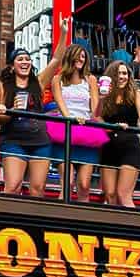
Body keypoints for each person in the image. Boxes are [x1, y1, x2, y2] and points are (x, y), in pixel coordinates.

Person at [0, 30, 65, 196]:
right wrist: (12, 111)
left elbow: (56, 60)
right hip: (14, 140)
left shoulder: (38, 83)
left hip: (40, 141)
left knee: (38, 189)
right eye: (20, 59)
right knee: (12, 186)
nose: (25, 62)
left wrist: (62, 33)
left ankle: (32, 221)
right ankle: (7, 221)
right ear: (12, 66)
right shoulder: (3, 85)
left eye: (27, 59)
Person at [50, 43, 100, 202]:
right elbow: (61, 105)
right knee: (67, 182)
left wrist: (102, 99)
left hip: (86, 132)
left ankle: (82, 222)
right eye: (78, 55)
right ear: (70, 56)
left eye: (83, 56)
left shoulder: (90, 79)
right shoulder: (57, 79)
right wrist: (72, 120)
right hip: (66, 130)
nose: (80, 59)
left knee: (85, 185)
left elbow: (95, 110)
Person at [97, 60, 140, 208]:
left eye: (125, 73)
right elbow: (96, 116)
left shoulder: (134, 94)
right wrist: (100, 99)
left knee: (123, 194)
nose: (122, 76)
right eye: (118, 73)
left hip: (129, 145)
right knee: (110, 194)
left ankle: (133, 228)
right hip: (108, 144)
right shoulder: (105, 94)